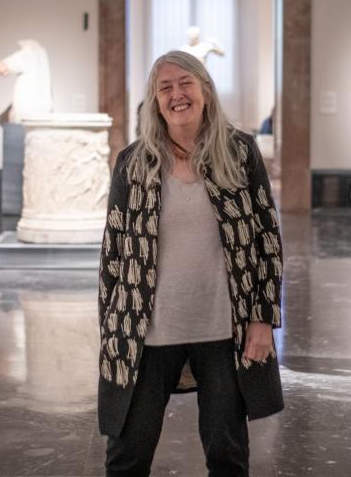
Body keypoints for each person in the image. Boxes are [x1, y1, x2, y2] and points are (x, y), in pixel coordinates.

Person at [98, 50, 284, 476]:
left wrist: (262, 320)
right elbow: (113, 251)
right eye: (165, 88)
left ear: (205, 91)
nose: (176, 94)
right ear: (155, 100)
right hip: (147, 330)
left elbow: (267, 240)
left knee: (227, 455)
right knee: (127, 456)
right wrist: (112, 330)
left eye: (185, 83)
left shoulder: (239, 152)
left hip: (223, 330)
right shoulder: (133, 163)